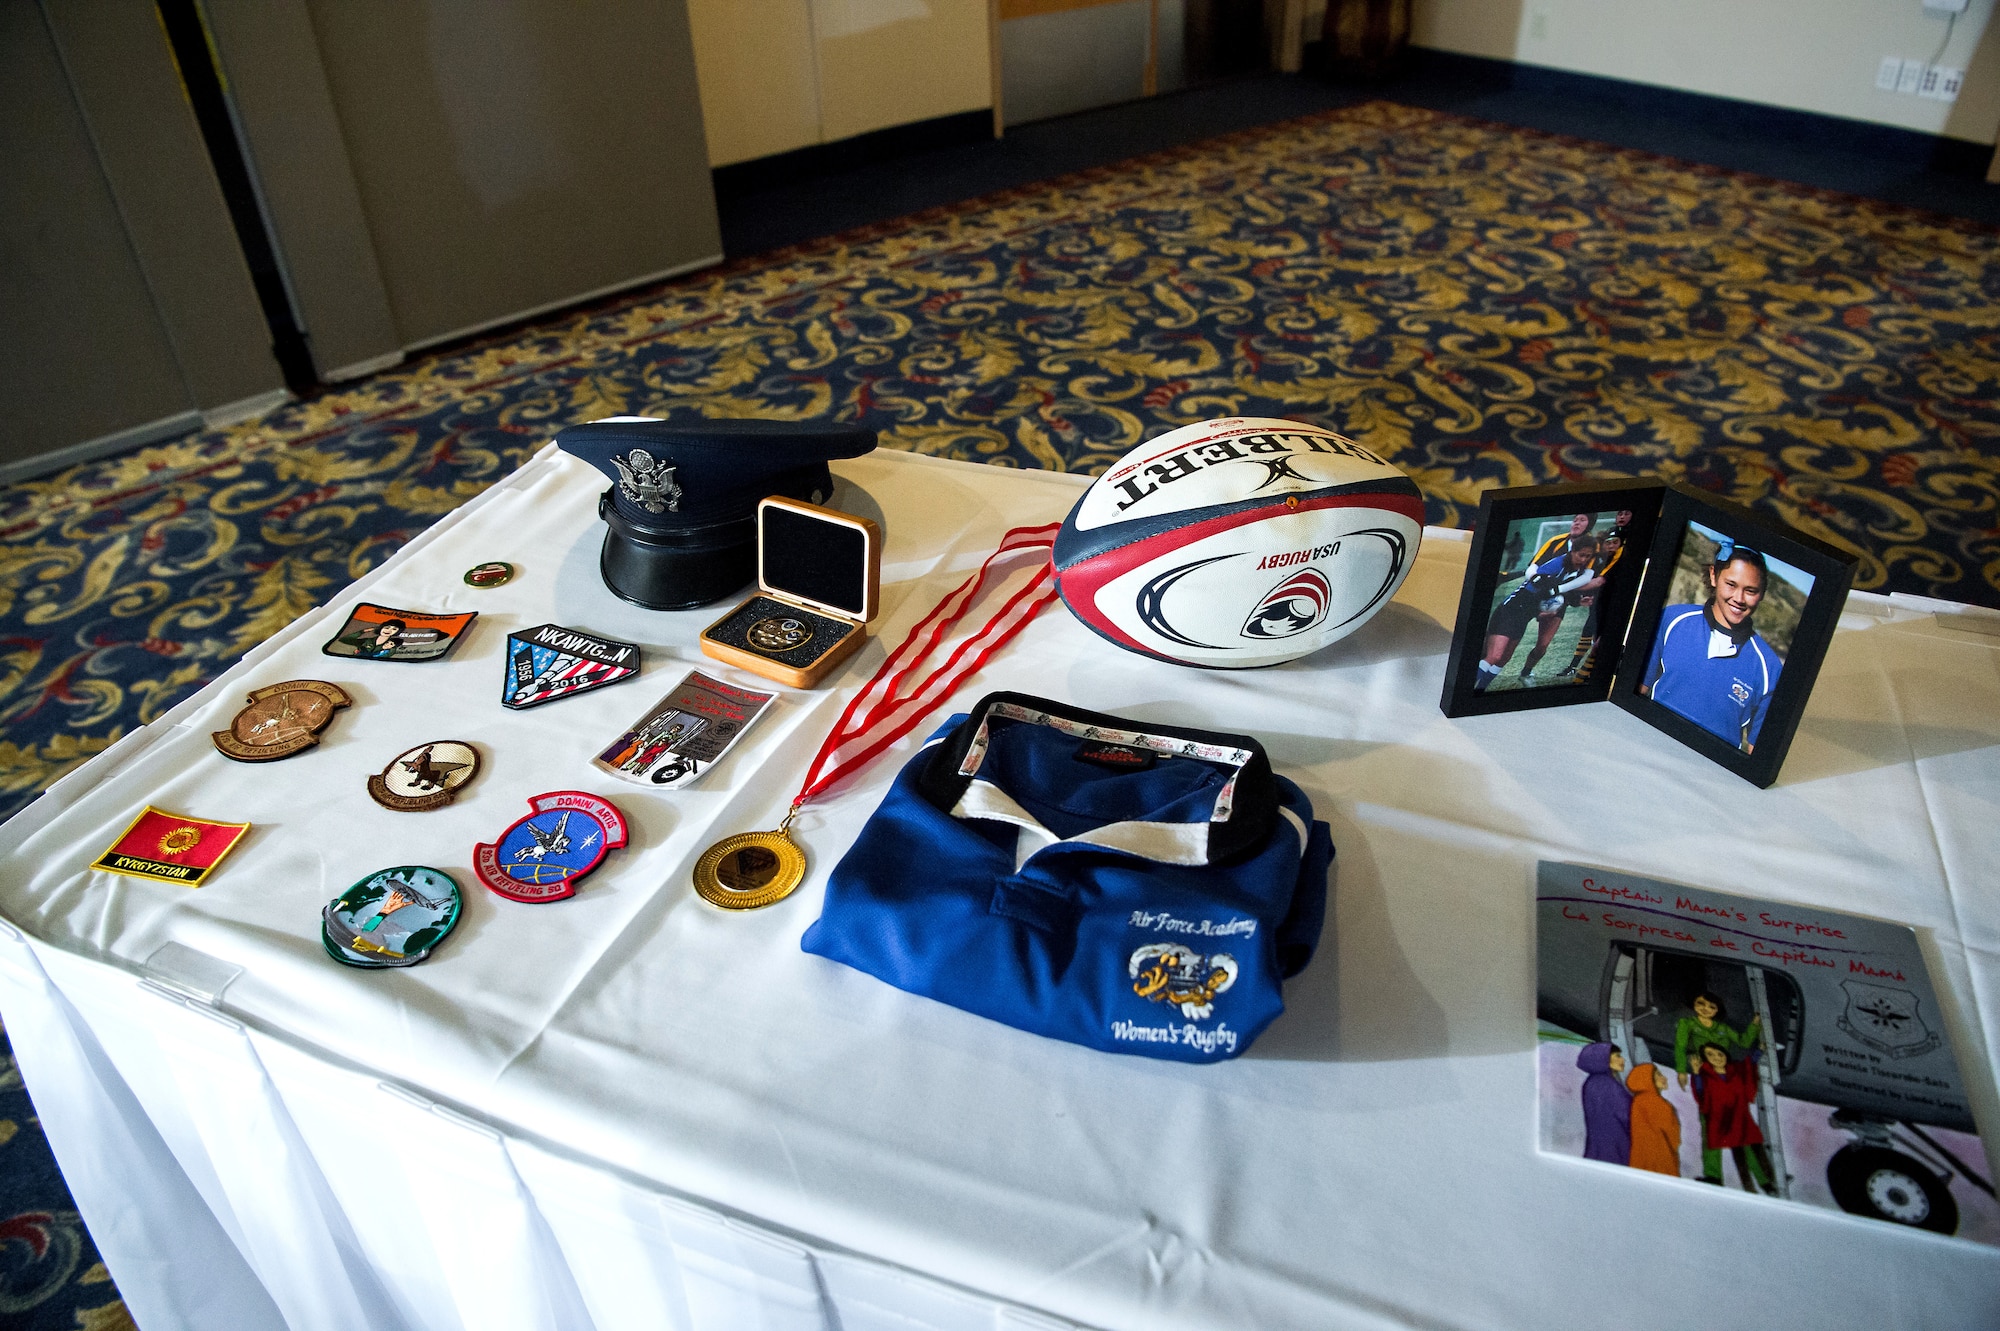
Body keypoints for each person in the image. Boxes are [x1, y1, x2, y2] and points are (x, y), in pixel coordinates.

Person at [1640, 541, 1784, 751]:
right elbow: (1638, 690)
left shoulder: (1769, 667)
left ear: (1762, 594)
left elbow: (1756, 751)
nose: (1739, 598)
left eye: (1750, 590)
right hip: (1649, 744)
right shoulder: (1672, 620)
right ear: (1714, 576)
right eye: (1731, 584)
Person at [1475, 534, 1599, 691]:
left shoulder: (1576, 570)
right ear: (1572, 551)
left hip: (1525, 615)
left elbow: (1563, 591)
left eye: (1588, 556)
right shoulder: (1557, 563)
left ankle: (1479, 691)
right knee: (1495, 656)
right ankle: (1464, 689)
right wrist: (1544, 604)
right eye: (1581, 555)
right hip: (1511, 609)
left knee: (1504, 659)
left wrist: (1576, 601)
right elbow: (1536, 583)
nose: (1583, 560)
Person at [1558, 509, 1633, 680]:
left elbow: (1599, 581)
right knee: (1589, 629)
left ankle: (1585, 676)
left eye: (1616, 542)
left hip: (1614, 603)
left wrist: (1564, 588)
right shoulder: (1601, 557)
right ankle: (1573, 667)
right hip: (1600, 600)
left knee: (1599, 642)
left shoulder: (1622, 557)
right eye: (1609, 542)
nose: (1612, 545)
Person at [1690, 1042, 1776, 1192]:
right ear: (1705, 1059)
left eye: (1719, 1054)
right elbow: (1700, 1092)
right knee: (1715, 1149)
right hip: (1718, 1119)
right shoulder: (1705, 1075)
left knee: (1749, 1149)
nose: (1716, 1058)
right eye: (1710, 1055)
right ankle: (1717, 1178)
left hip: (1738, 1117)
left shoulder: (1735, 1070)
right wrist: (1696, 1073)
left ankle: (1765, 1182)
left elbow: (1750, 1065)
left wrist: (1760, 1050)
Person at [1672, 991, 1761, 1089]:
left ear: (1717, 1010)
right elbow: (1680, 1046)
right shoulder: (1687, 1023)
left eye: (1712, 1007)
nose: (1705, 1009)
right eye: (1701, 1003)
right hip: (1702, 1070)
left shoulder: (1723, 1028)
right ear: (1693, 1003)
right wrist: (1681, 1071)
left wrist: (1755, 1024)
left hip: (1724, 1071)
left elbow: (1744, 1042)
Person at [1576, 1042, 1632, 1165]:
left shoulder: (1590, 1083)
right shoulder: (1610, 1086)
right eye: (1617, 1056)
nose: (1622, 1059)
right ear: (1603, 1059)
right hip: (1617, 1145)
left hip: (1597, 1144)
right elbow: (1627, 1115)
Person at [1626, 1062, 1682, 1176]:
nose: (1664, 1078)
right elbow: (1674, 1138)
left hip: (1640, 1156)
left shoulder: (1638, 1101)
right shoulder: (1659, 1104)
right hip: (1661, 1158)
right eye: (1659, 1075)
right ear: (1648, 1079)